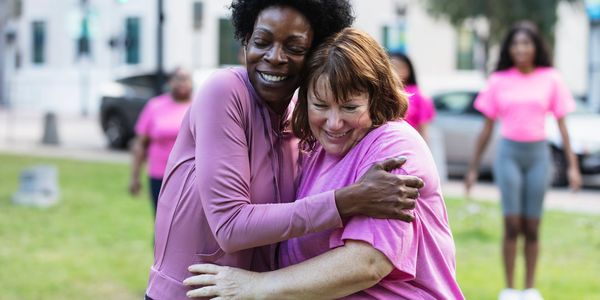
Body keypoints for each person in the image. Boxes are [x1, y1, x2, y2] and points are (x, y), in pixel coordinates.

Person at [145, 1, 424, 300]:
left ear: (315, 53)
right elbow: (229, 226)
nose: (274, 57)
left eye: (294, 47)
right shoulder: (225, 91)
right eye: (261, 42)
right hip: (189, 294)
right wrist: (350, 200)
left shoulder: (304, 119)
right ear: (246, 42)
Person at [184, 28, 464, 299]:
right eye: (320, 105)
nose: (333, 123)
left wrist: (255, 287)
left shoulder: (394, 147)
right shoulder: (316, 148)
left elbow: (367, 264)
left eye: (349, 107)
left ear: (376, 99)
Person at [464, 22, 582, 300]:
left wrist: (573, 166)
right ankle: (509, 288)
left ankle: (529, 289)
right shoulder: (499, 80)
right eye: (516, 44)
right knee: (512, 223)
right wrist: (472, 168)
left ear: (536, 46)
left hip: (538, 155)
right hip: (509, 155)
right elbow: (486, 128)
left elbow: (563, 127)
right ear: (509, 48)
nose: (521, 48)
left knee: (532, 225)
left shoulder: (551, 78)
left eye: (526, 43)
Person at [129, 67, 193, 215]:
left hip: (190, 178)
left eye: (186, 79)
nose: (183, 83)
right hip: (160, 176)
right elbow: (140, 144)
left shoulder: (199, 105)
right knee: (161, 223)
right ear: (170, 82)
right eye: (179, 79)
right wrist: (135, 177)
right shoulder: (155, 106)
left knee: (187, 225)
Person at [390, 52, 435, 141]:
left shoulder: (419, 96)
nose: (395, 71)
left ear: (409, 69)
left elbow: (423, 129)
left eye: (399, 67)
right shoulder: (382, 94)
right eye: (392, 67)